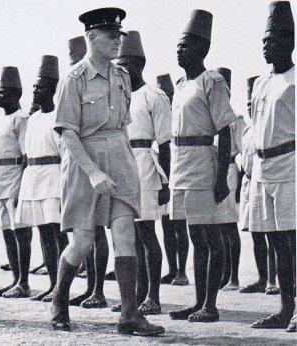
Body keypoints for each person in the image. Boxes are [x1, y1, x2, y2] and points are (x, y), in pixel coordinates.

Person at [51, 7, 165, 336]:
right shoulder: (73, 79)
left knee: (125, 234)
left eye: (119, 35)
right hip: (85, 162)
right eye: (110, 35)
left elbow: (122, 126)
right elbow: (68, 132)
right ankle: (60, 298)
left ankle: (130, 315)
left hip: (121, 156)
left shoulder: (122, 76)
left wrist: (122, 163)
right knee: (84, 241)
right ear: (91, 37)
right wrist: (93, 173)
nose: (117, 41)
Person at [167, 10, 236, 323]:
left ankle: (212, 304)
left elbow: (224, 130)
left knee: (210, 236)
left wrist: (221, 177)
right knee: (194, 237)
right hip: (181, 165)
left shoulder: (213, 81)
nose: (179, 50)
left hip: (203, 165)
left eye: (186, 45)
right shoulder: (181, 84)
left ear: (202, 49)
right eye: (178, 46)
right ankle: (198, 302)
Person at [116, 30, 171, 315]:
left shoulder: (154, 96)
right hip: (125, 167)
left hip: (147, 167)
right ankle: (135, 296)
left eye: (125, 64)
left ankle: (153, 296)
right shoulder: (118, 96)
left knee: (148, 232)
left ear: (139, 64)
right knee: (132, 234)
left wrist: (166, 181)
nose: (120, 69)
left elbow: (164, 144)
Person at [249, 1, 295, 329]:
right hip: (263, 168)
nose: (266, 46)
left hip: (291, 165)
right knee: (275, 241)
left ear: (290, 41)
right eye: (264, 40)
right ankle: (285, 308)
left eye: (273, 40)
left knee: (293, 240)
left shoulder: (295, 80)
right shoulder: (260, 83)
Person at [15, 55, 68, 302]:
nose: (36, 91)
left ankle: (61, 286)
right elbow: (27, 154)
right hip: (33, 178)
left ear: (53, 89)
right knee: (43, 233)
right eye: (34, 86)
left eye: (41, 87)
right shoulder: (33, 118)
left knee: (57, 233)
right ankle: (52, 285)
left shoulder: (60, 116)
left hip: (53, 179)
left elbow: (65, 153)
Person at [65, 35, 110, 309]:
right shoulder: (70, 83)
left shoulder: (105, 82)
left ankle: (98, 289)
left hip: (96, 163)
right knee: (81, 234)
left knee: (98, 231)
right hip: (76, 166)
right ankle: (81, 289)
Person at [0, 66, 32, 299]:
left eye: (4, 92)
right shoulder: (2, 120)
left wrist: (22, 187)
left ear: (16, 95)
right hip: (0, 179)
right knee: (7, 230)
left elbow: (26, 155)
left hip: (15, 176)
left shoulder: (20, 119)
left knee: (21, 232)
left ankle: (24, 281)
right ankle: (16, 279)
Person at [239, 76, 280, 296]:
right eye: (247, 105)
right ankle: (262, 277)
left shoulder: (268, 125)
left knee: (272, 233)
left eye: (252, 104)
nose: (250, 108)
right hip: (249, 182)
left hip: (267, 177)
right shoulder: (247, 130)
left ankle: (273, 279)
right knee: (255, 233)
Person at [156, 74, 189, 286]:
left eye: (169, 95)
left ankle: (183, 272)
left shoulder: (178, 117)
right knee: (167, 226)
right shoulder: (159, 117)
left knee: (180, 226)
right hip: (163, 177)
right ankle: (171, 269)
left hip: (178, 174)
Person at [215, 67, 245, 291]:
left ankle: (233, 277)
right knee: (218, 227)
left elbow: (243, 149)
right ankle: (224, 275)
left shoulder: (235, 118)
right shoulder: (209, 113)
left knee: (229, 224)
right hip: (213, 169)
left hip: (229, 168)